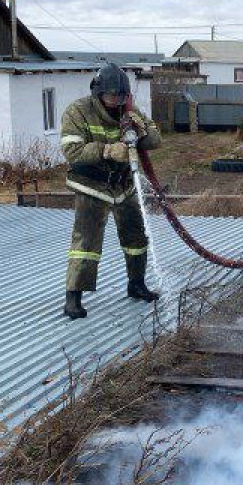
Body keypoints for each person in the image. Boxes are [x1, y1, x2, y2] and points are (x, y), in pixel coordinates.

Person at [61, 63, 162, 320]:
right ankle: (73, 297)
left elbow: (155, 141)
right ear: (98, 93)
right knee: (86, 243)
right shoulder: (78, 112)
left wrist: (143, 129)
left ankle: (136, 284)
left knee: (136, 237)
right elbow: (72, 152)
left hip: (123, 184)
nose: (116, 101)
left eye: (121, 96)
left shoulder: (129, 111)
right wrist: (106, 150)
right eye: (112, 96)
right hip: (91, 184)